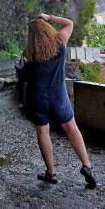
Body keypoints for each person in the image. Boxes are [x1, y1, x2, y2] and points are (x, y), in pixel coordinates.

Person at [24, 14, 97, 187]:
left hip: (37, 98)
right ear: (47, 30)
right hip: (58, 95)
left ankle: (51, 173)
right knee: (72, 128)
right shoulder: (59, 42)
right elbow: (69, 23)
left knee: (43, 133)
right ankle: (86, 165)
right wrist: (48, 17)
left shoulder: (30, 52)